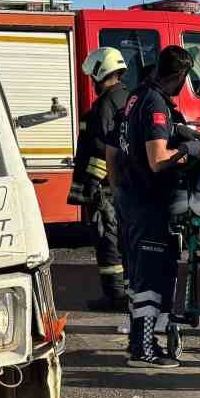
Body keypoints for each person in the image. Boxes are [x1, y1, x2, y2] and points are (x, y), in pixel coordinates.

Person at [118, 45, 200, 367]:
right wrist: (190, 149)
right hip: (150, 201)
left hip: (131, 198)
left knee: (140, 276)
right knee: (151, 278)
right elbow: (157, 161)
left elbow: (116, 150)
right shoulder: (155, 104)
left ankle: (139, 344)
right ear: (180, 75)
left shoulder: (135, 97)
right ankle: (143, 350)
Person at [69, 47, 132, 311]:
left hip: (106, 187)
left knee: (107, 239)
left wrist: (92, 184)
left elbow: (101, 148)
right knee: (125, 241)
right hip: (125, 184)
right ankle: (128, 293)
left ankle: (115, 296)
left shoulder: (106, 104)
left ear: (99, 71)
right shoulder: (128, 97)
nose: (92, 83)